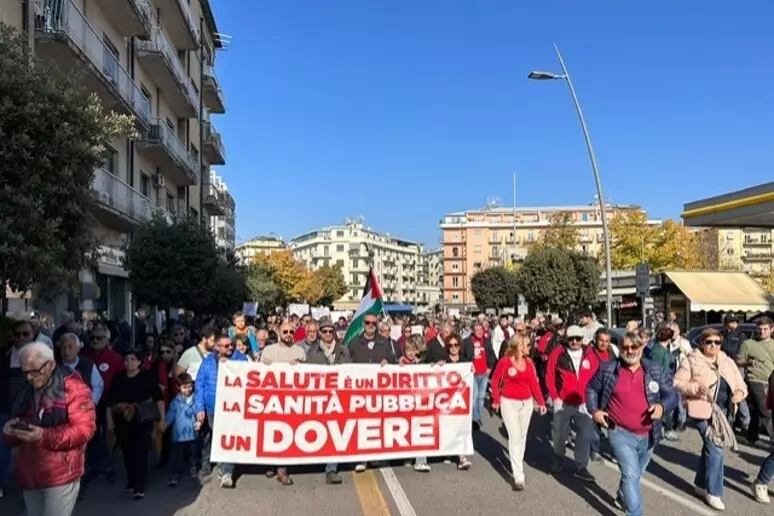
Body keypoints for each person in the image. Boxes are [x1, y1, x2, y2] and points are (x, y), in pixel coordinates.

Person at [586, 332, 678, 516]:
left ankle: (622, 496)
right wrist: (594, 411)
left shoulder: (655, 370)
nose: (629, 351)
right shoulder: (608, 368)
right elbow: (591, 389)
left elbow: (673, 396)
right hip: (619, 432)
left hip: (649, 434)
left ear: (641, 348)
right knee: (630, 474)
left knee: (635, 476)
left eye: (633, 347)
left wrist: (662, 406)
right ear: (619, 349)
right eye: (625, 347)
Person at [3, 342, 96, 516]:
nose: (30, 377)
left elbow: (85, 430)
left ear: (51, 364)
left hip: (60, 474)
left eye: (35, 371)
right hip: (29, 474)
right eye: (26, 372)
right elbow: (19, 427)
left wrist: (44, 436)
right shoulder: (25, 390)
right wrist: (10, 433)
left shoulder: (74, 388)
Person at [673, 328, 746, 511]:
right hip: (701, 410)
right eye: (709, 342)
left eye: (717, 342)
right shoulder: (692, 359)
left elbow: (739, 382)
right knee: (715, 448)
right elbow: (677, 382)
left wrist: (738, 393)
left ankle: (700, 485)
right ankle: (714, 492)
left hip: (722, 412)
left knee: (710, 447)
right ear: (702, 343)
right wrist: (695, 388)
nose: (713, 345)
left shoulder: (726, 360)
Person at [105, 350, 165, 500]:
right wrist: (109, 420)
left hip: (142, 418)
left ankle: (139, 485)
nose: (129, 362)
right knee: (127, 451)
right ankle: (131, 481)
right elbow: (109, 402)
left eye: (133, 359)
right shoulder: (119, 378)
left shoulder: (147, 377)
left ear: (139, 362)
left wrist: (162, 418)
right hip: (122, 419)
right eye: (127, 359)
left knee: (141, 451)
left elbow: (159, 398)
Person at [490, 334, 547, 490]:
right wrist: (495, 399)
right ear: (518, 346)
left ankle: (518, 462)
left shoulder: (529, 363)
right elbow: (495, 380)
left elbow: (534, 384)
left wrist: (541, 402)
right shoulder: (505, 362)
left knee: (522, 437)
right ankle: (518, 474)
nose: (529, 348)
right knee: (514, 437)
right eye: (527, 345)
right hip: (508, 402)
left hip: (526, 403)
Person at [195, 332, 247, 487]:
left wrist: (231, 366)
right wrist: (199, 408)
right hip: (212, 407)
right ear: (217, 348)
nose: (230, 347)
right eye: (226, 346)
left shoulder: (240, 358)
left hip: (232, 407)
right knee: (210, 438)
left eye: (231, 344)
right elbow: (200, 385)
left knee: (228, 437)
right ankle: (206, 466)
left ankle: (227, 472)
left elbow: (248, 374)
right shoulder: (208, 362)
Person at [546, 325, 597, 482]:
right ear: (565, 339)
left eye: (578, 339)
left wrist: (594, 400)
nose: (574, 342)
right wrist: (555, 397)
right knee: (560, 435)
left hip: (584, 403)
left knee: (586, 435)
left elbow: (597, 376)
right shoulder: (557, 353)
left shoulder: (590, 354)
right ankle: (559, 456)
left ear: (582, 339)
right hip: (564, 402)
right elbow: (549, 375)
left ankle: (581, 466)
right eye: (571, 339)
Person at [306, 317, 351, 484]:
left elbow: (351, 372)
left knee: (335, 431)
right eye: (324, 331)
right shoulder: (312, 352)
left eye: (330, 331)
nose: (327, 334)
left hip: (339, 398)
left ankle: (331, 469)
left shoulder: (343, 351)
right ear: (320, 333)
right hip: (320, 398)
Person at [399, 335, 431, 472]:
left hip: (419, 402)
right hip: (405, 403)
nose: (411, 353)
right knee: (407, 430)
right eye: (408, 350)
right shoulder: (399, 364)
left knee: (420, 429)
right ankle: (407, 456)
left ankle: (421, 460)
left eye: (413, 350)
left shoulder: (420, 365)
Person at [163, 373, 201, 487]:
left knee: (193, 453)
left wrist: (199, 421)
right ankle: (175, 474)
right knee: (176, 456)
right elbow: (170, 415)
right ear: (178, 387)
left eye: (190, 386)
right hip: (178, 434)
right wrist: (164, 424)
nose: (188, 389)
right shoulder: (175, 402)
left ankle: (193, 468)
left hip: (192, 432)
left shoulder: (195, 399)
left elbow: (199, 411)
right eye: (185, 387)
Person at [462, 322, 496, 431]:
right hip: (473, 374)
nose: (480, 332)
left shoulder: (486, 341)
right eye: (477, 330)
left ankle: (477, 415)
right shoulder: (467, 342)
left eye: (481, 329)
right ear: (473, 331)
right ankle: (474, 419)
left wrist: (490, 367)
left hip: (484, 373)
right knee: (474, 396)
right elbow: (463, 356)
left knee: (481, 397)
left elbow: (492, 354)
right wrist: (469, 366)